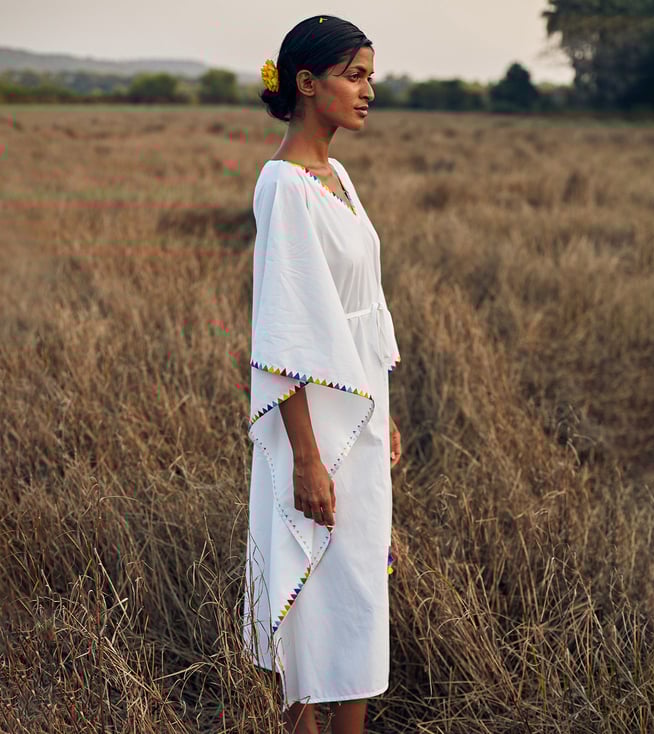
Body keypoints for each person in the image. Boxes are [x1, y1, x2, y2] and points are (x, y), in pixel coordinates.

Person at [242, 15, 402, 734]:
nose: (369, 90)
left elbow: (362, 305)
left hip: (358, 409)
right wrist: (306, 458)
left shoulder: (337, 176)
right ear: (307, 83)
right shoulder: (285, 186)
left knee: (359, 578)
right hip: (312, 421)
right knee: (306, 579)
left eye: (371, 76)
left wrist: (383, 410)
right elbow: (286, 331)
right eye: (354, 75)